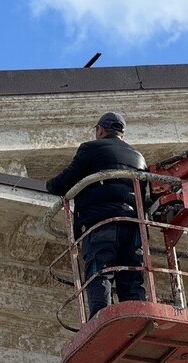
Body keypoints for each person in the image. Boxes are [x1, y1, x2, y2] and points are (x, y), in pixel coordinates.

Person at [46, 112, 148, 318]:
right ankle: (136, 316)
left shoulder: (91, 149)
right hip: (133, 225)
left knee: (100, 269)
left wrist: (49, 185)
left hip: (102, 222)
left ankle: (102, 318)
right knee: (131, 275)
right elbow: (145, 195)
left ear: (100, 130)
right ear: (122, 133)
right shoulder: (139, 157)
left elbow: (63, 182)